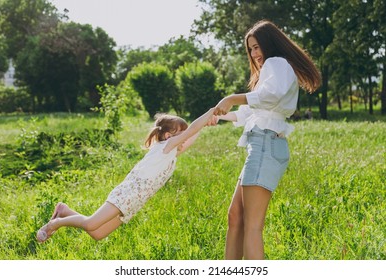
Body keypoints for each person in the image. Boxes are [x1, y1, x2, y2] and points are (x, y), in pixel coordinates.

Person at [212, 20, 321, 260]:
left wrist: (232, 97)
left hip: (266, 145)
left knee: (252, 226)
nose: (254, 54)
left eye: (257, 47)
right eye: (250, 49)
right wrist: (221, 116)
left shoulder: (277, 63)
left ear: (270, 44)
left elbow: (271, 95)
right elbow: (255, 111)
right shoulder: (273, 69)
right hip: (261, 145)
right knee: (235, 216)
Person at [36, 108, 215, 243]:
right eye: (182, 134)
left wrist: (207, 124)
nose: (186, 138)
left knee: (98, 234)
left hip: (135, 202)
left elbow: (191, 136)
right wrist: (210, 112)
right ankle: (54, 224)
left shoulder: (171, 153)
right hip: (127, 194)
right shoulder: (165, 148)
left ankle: (64, 211)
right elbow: (191, 130)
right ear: (169, 136)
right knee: (91, 224)